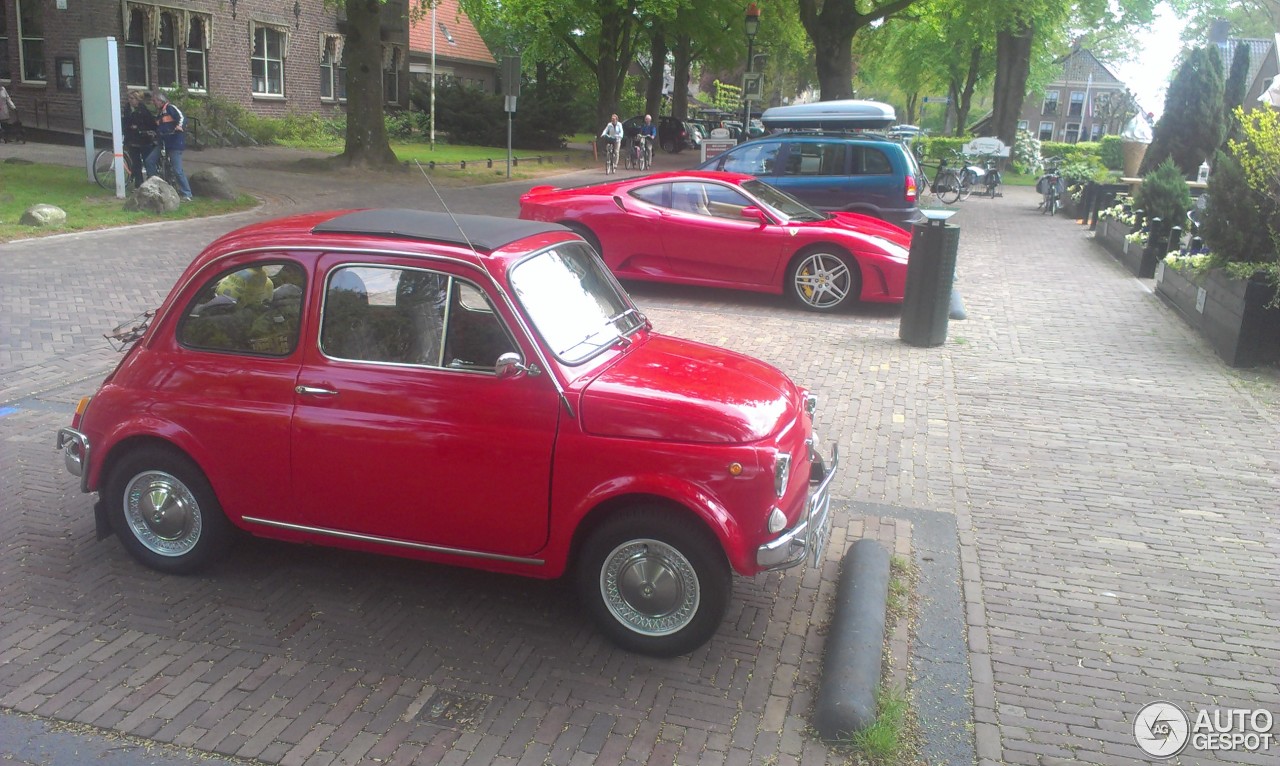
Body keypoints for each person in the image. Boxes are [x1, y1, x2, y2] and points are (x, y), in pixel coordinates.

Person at [152, 90, 193, 202]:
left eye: (154, 100)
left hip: (174, 142)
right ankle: (154, 188)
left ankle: (187, 193)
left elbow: (182, 117)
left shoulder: (170, 108)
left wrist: (180, 126)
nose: (153, 103)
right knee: (150, 161)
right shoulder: (160, 113)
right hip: (164, 142)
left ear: (160, 101)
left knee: (177, 169)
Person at [122, 92, 158, 190]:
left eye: (132, 98)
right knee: (136, 163)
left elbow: (150, 124)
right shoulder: (127, 109)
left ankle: (152, 183)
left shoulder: (143, 110)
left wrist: (138, 127)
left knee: (148, 162)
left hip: (143, 140)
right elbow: (125, 122)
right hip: (132, 140)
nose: (130, 100)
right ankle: (138, 185)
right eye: (129, 98)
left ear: (137, 100)